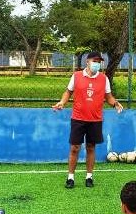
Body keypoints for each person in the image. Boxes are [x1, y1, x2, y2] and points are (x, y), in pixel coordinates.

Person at [52, 51, 123, 189]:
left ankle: (89, 176)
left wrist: (115, 103)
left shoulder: (104, 79)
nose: (97, 64)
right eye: (94, 61)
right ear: (87, 62)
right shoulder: (77, 76)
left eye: (99, 62)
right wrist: (62, 102)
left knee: (91, 147)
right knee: (75, 148)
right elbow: (68, 92)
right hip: (78, 118)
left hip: (95, 120)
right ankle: (70, 177)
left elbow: (108, 96)